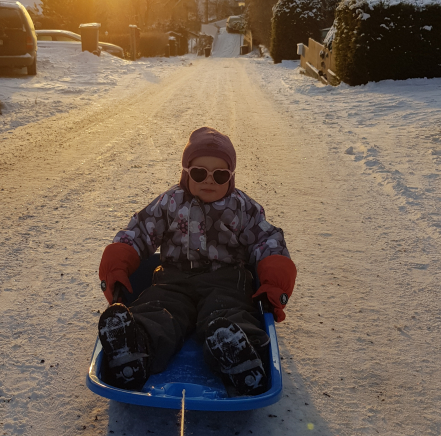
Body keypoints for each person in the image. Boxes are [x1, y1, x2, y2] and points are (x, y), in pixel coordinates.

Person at [97, 126, 297, 396]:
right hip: (173, 278)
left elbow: (267, 240)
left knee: (228, 312)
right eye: (200, 173)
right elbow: (140, 230)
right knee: (158, 310)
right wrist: (118, 262)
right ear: (186, 173)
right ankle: (134, 348)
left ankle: (241, 354)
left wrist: (275, 279)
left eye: (220, 174)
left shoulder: (242, 207)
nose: (210, 180)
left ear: (231, 177)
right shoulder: (170, 202)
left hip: (226, 279)